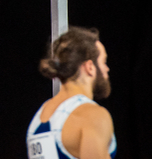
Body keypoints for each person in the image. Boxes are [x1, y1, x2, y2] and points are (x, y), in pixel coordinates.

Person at [26, 27, 116, 159]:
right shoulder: (92, 116)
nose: (107, 69)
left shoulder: (39, 116)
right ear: (90, 67)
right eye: (104, 62)